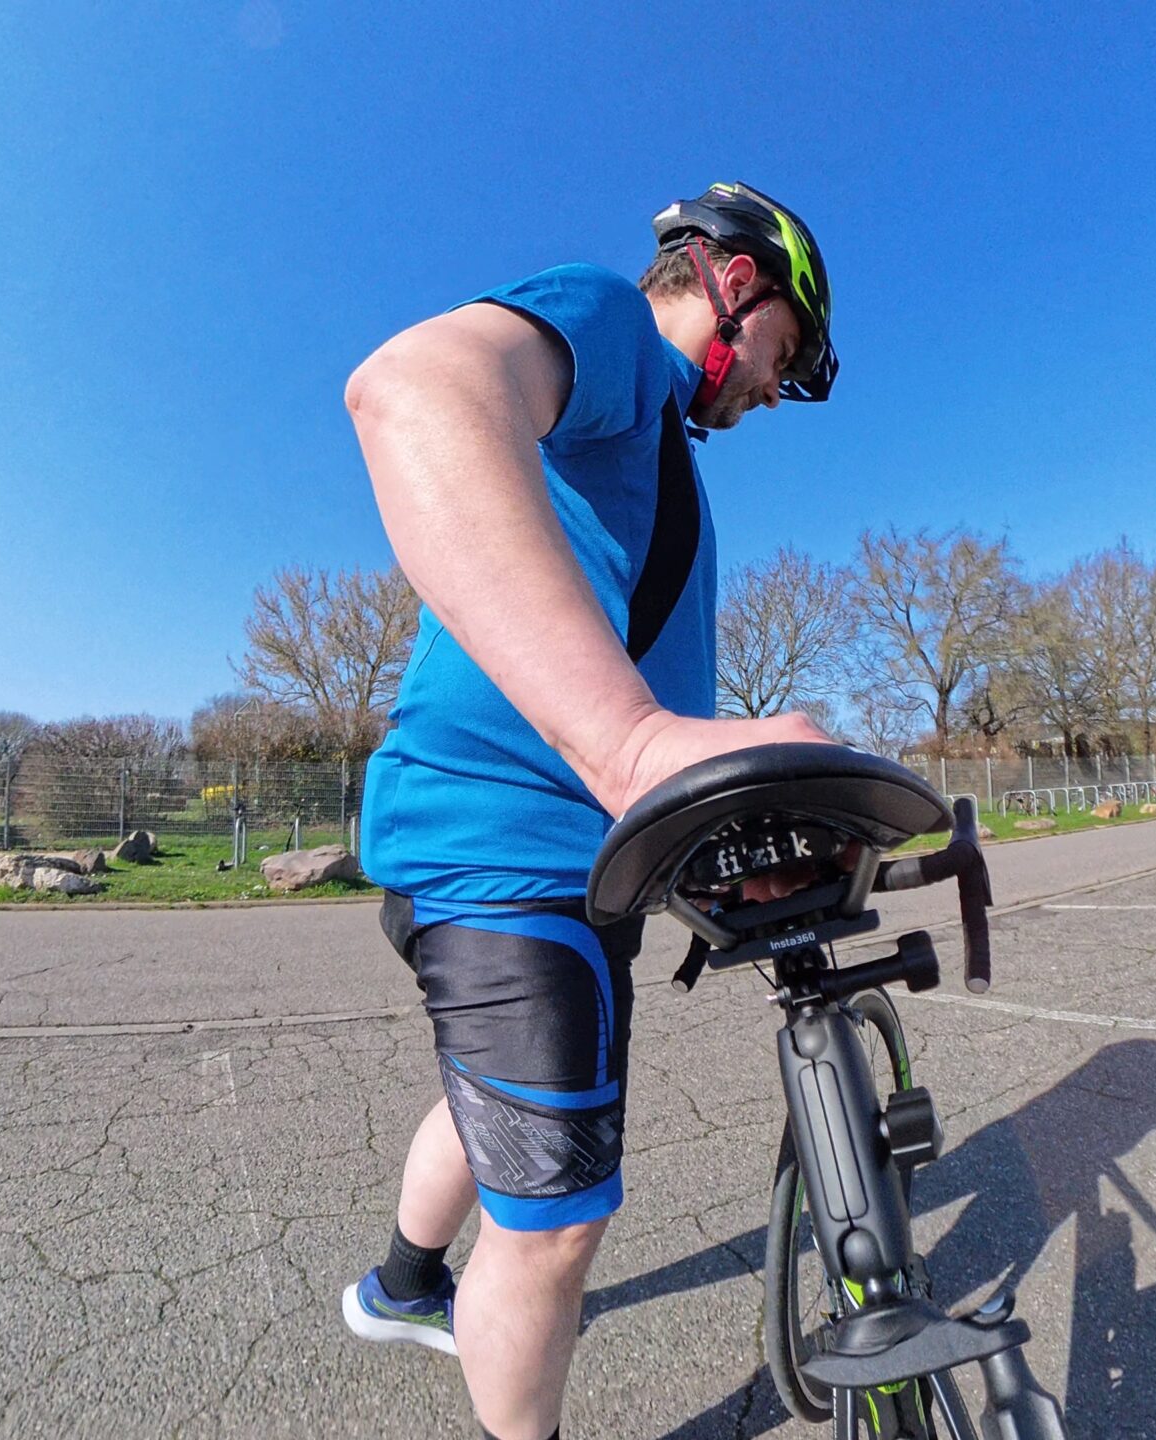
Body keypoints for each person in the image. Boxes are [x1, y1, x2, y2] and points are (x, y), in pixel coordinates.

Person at [336, 183, 839, 1440]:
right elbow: (414, 385)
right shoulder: (612, 323)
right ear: (732, 285)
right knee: (556, 1227)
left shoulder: (657, 446)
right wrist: (630, 743)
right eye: (784, 354)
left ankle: (401, 1286)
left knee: (495, 1104)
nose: (775, 390)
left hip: (556, 850)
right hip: (505, 848)